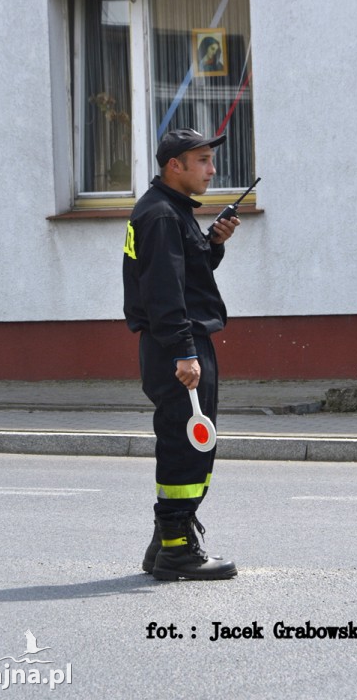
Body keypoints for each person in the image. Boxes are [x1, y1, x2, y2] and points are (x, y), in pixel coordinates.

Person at [122, 128, 240, 581]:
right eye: (204, 161)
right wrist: (184, 353)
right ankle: (177, 550)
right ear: (176, 165)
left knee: (186, 440)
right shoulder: (161, 217)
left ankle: (164, 542)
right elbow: (163, 294)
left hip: (179, 343)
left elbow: (186, 276)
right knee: (187, 444)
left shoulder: (169, 211)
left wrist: (213, 244)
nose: (212, 170)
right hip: (178, 346)